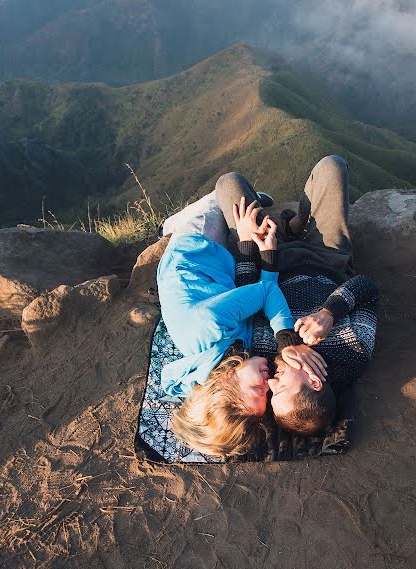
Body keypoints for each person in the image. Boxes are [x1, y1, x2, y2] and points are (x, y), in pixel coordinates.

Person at [217, 155, 380, 437]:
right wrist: (329, 313)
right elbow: (368, 289)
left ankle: (288, 229)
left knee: (229, 184)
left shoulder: (264, 358)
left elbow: (247, 294)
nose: (269, 385)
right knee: (333, 166)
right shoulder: (353, 356)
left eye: (270, 393)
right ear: (315, 382)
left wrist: (246, 242)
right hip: (330, 257)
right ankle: (298, 223)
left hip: (272, 258)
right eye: (280, 389)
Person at [157, 197, 326, 457]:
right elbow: (263, 289)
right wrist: (266, 260)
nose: (269, 382)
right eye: (267, 394)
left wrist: (287, 341)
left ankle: (175, 223)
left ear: (226, 380)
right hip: (221, 279)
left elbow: (267, 291)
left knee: (230, 198)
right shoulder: (227, 360)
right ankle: (171, 225)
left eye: (258, 389)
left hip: (197, 249)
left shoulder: (209, 325)